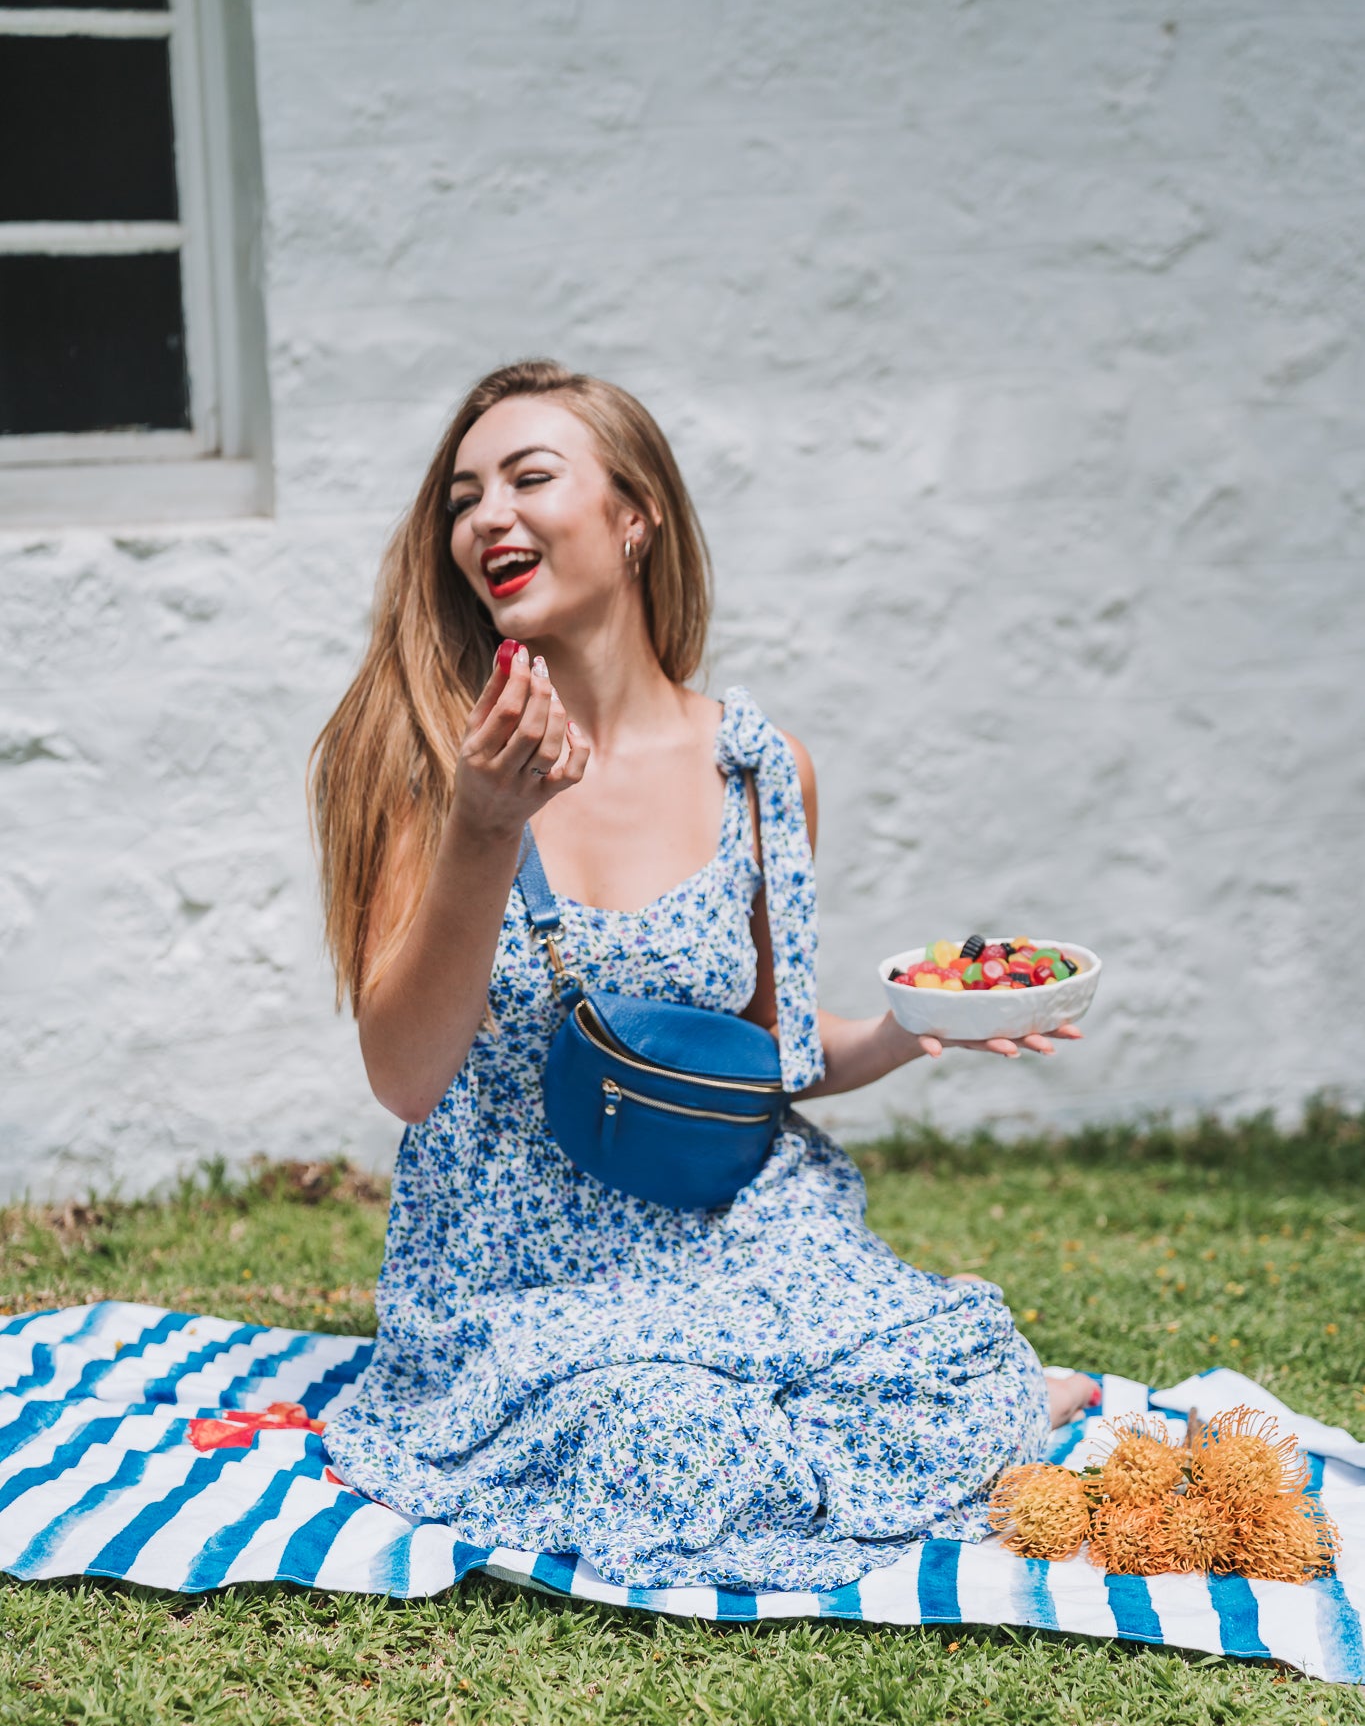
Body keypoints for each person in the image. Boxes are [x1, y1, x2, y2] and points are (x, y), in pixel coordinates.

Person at [311, 359, 1094, 1593]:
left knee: (960, 1359)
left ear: (635, 515)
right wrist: (483, 828)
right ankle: (798, 1425)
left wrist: (918, 1022)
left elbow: (759, 1066)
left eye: (529, 477)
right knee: (663, 1437)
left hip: (734, 1232)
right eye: (463, 497)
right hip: (526, 1271)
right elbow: (405, 1079)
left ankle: (882, 1404)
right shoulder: (424, 757)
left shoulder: (756, 766)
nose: (486, 519)